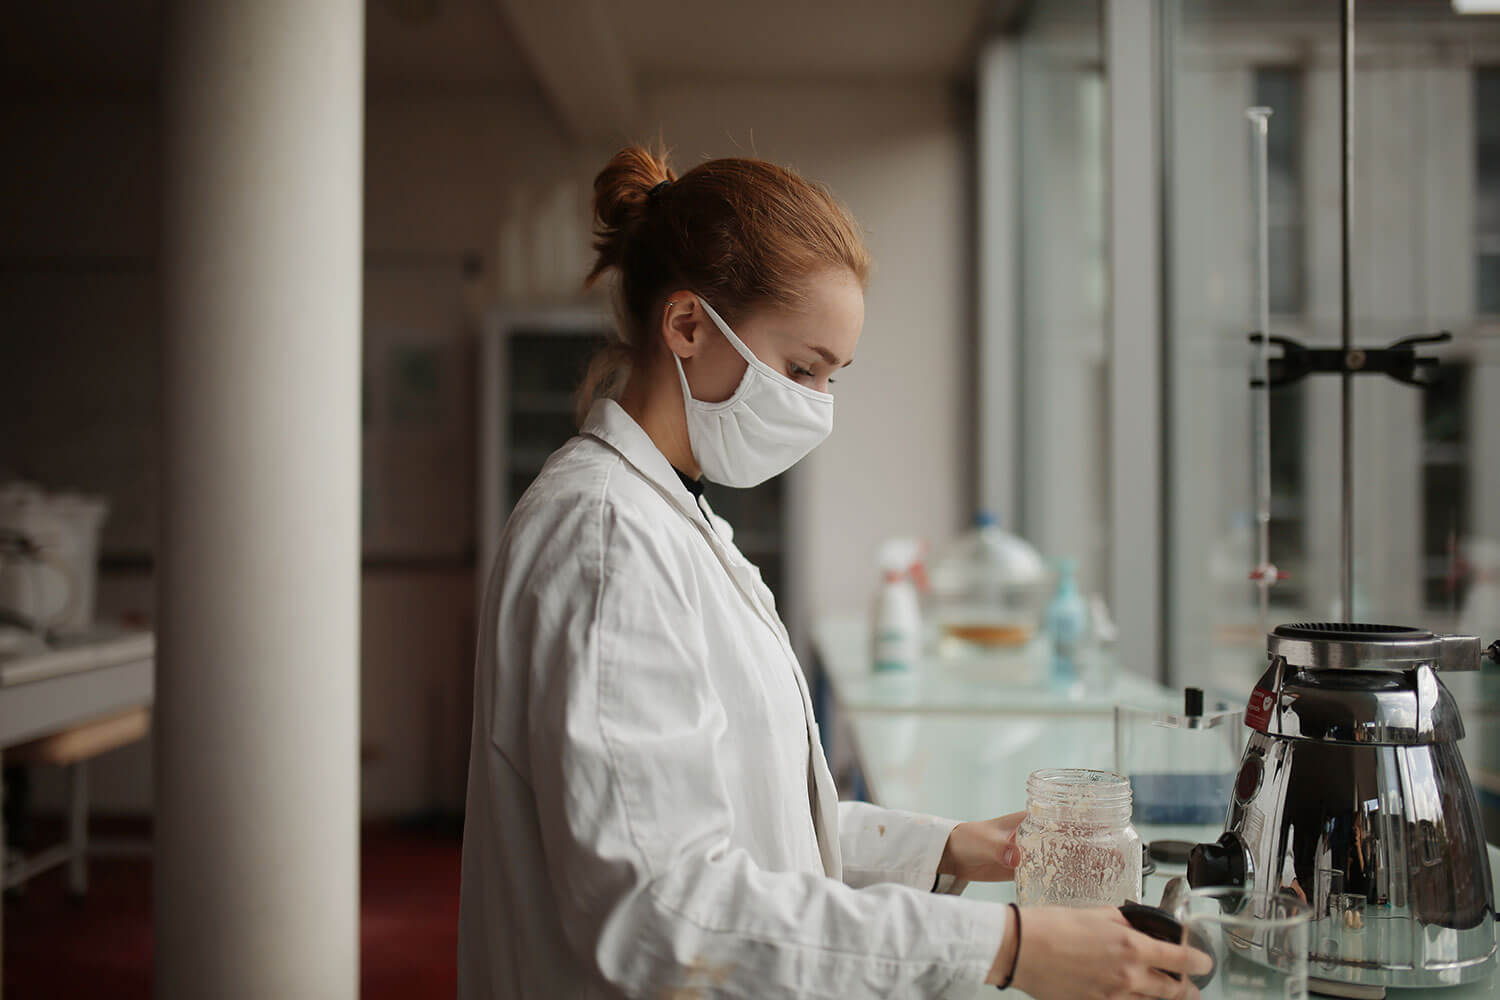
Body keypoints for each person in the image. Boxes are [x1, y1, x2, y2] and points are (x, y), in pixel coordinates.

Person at [457, 145, 1210, 999]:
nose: (816, 406)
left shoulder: (675, 515)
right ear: (688, 327)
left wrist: (949, 846)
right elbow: (665, 912)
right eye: (803, 369)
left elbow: (753, 820)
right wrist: (1004, 945)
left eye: (832, 378)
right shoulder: (606, 544)